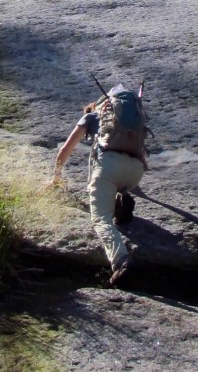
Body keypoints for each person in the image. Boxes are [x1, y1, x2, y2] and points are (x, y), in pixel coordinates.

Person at [52, 86, 147, 286]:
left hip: (108, 169)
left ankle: (121, 261)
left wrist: (56, 180)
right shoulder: (130, 122)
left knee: (101, 219)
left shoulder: (90, 118)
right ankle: (121, 202)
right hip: (135, 172)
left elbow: (64, 151)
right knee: (114, 184)